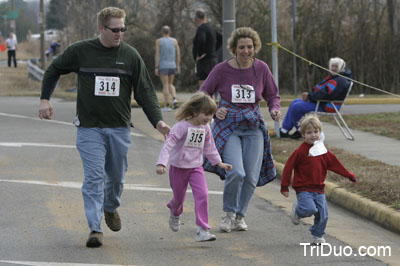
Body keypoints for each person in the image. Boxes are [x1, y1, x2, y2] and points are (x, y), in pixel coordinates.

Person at [38, 7, 170, 248]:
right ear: (101, 28)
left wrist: (158, 121)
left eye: (123, 29)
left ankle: (110, 207)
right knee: (94, 177)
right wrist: (45, 98)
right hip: (89, 127)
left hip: (119, 127)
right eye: (115, 29)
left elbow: (146, 93)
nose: (119, 33)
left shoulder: (130, 56)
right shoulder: (81, 51)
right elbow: (54, 69)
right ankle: (95, 227)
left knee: (117, 177)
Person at [199, 27, 281, 233]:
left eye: (250, 47)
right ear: (234, 49)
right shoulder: (221, 69)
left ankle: (240, 215)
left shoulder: (261, 68)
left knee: (251, 177)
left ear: (255, 47)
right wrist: (215, 109)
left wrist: (274, 109)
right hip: (229, 126)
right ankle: (228, 213)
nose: (246, 51)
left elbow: (273, 95)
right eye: (242, 47)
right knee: (235, 172)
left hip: (253, 125)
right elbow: (204, 92)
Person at [156, 92, 232, 241]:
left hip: (196, 168)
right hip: (178, 168)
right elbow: (168, 145)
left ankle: (202, 230)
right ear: (195, 112)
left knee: (203, 195)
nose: (210, 118)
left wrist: (219, 162)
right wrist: (161, 163)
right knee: (179, 199)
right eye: (206, 114)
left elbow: (210, 147)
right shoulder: (181, 127)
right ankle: (175, 211)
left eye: (212, 115)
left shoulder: (206, 128)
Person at [280, 114, 356, 245]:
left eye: (316, 131)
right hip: (304, 188)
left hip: (319, 188)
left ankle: (318, 235)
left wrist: (348, 174)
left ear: (320, 132)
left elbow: (335, 164)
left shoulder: (322, 150)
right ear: (303, 134)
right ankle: (298, 210)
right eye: (309, 132)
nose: (313, 135)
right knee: (309, 209)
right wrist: (284, 186)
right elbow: (288, 167)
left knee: (323, 214)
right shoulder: (300, 151)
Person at [280, 57, 352, 139]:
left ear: (341, 68)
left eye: (336, 66)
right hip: (321, 102)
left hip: (327, 105)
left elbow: (326, 95)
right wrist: (310, 95)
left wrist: (310, 96)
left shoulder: (340, 80)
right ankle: (284, 130)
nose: (333, 68)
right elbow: (321, 91)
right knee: (295, 102)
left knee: (297, 107)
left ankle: (301, 131)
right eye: (332, 66)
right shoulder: (334, 78)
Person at [192, 8, 222, 86]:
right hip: (213, 59)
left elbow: (202, 39)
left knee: (203, 84)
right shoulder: (211, 28)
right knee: (212, 83)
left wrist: (199, 54)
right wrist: (213, 50)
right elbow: (221, 39)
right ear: (205, 17)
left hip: (204, 61)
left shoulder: (201, 28)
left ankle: (204, 98)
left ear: (196, 19)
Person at [154, 25, 180, 111]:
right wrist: (177, 65)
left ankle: (167, 105)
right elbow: (178, 54)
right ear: (169, 32)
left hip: (163, 65)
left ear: (162, 32)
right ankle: (174, 99)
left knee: (165, 85)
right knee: (170, 84)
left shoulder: (159, 41)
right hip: (172, 65)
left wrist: (156, 66)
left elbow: (157, 54)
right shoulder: (174, 41)